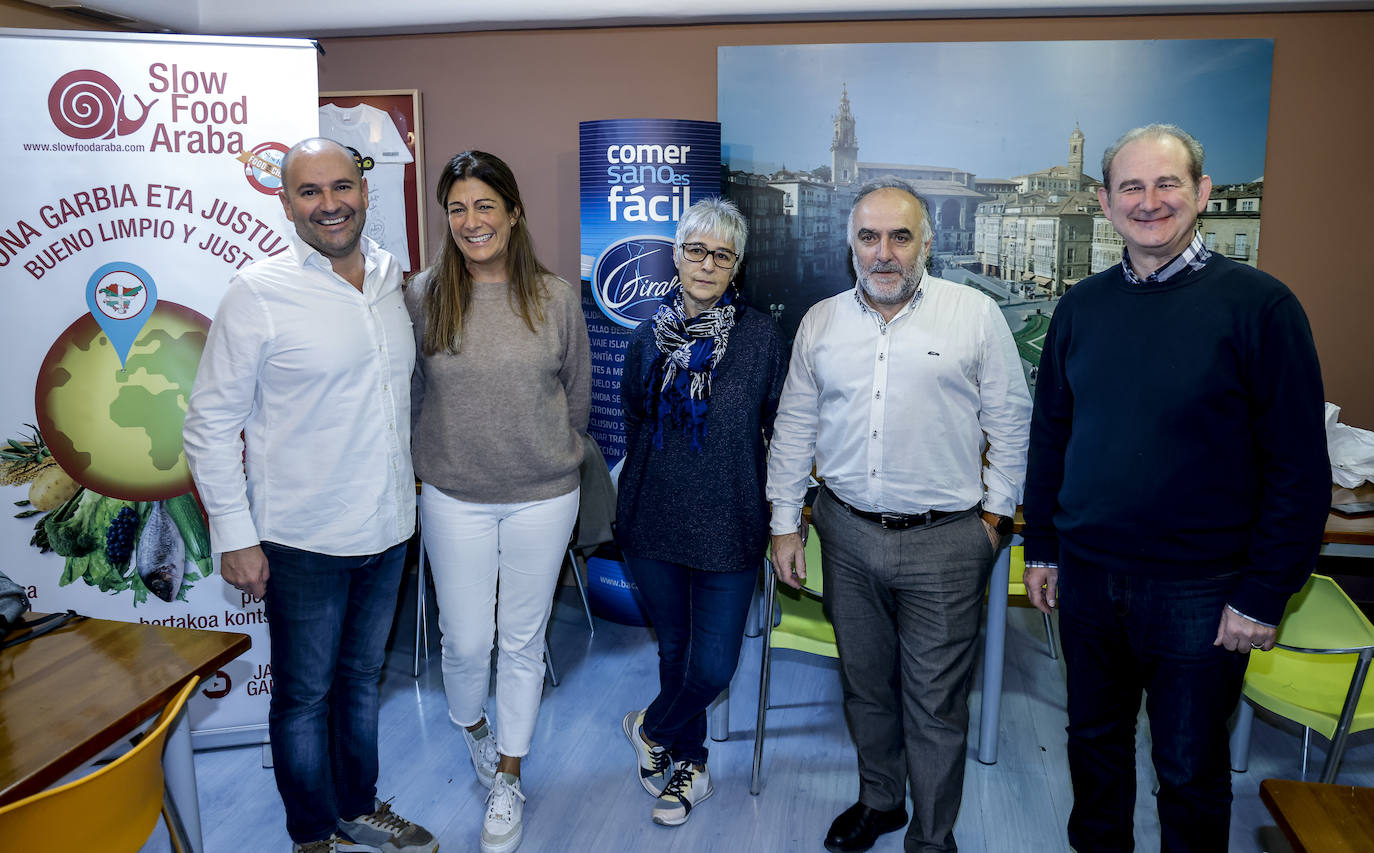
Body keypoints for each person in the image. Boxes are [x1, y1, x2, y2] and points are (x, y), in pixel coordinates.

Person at [1020, 124, 1330, 852]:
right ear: (1105, 201)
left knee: (1189, 769)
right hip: (1090, 579)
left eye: (1167, 183)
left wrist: (1263, 591)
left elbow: (1298, 466)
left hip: (1203, 589)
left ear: (1201, 192)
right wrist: (1043, 548)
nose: (1149, 200)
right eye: (1132, 186)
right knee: (1093, 748)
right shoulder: (1080, 307)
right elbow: (1052, 437)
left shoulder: (1261, 306)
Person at [183, 138, 436, 853]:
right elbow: (208, 424)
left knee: (361, 683)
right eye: (310, 192)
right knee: (303, 698)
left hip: (387, 529)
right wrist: (235, 533)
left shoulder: (391, 277)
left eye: (341, 186)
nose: (330, 204)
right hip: (301, 540)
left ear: (365, 188)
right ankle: (311, 833)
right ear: (286, 201)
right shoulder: (258, 293)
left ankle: (358, 805)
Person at [767, 177, 1031, 853]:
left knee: (936, 703)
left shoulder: (973, 315)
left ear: (926, 244)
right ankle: (880, 799)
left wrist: (996, 521)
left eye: (900, 236)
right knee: (864, 685)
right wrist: (785, 522)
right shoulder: (822, 321)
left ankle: (932, 836)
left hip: (946, 541)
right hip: (845, 534)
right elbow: (795, 424)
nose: (883, 252)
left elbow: (1012, 422)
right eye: (868, 237)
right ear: (850, 245)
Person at [407, 150, 590, 853]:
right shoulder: (422, 297)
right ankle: (475, 728)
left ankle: (509, 773)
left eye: (486, 205)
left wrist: (547, 450)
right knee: (466, 641)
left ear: (513, 212)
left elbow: (574, 396)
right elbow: (413, 395)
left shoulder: (555, 297)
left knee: (521, 640)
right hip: (454, 495)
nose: (472, 220)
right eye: (458, 208)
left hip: (544, 495)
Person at [616, 198, 787, 827]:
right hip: (652, 520)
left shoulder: (762, 338)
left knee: (713, 665)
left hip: (732, 520)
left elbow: (780, 425)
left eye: (722, 254)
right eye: (696, 250)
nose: (707, 264)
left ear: (736, 265)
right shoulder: (645, 337)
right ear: (677, 254)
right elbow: (635, 416)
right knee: (674, 652)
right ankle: (691, 765)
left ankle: (650, 726)